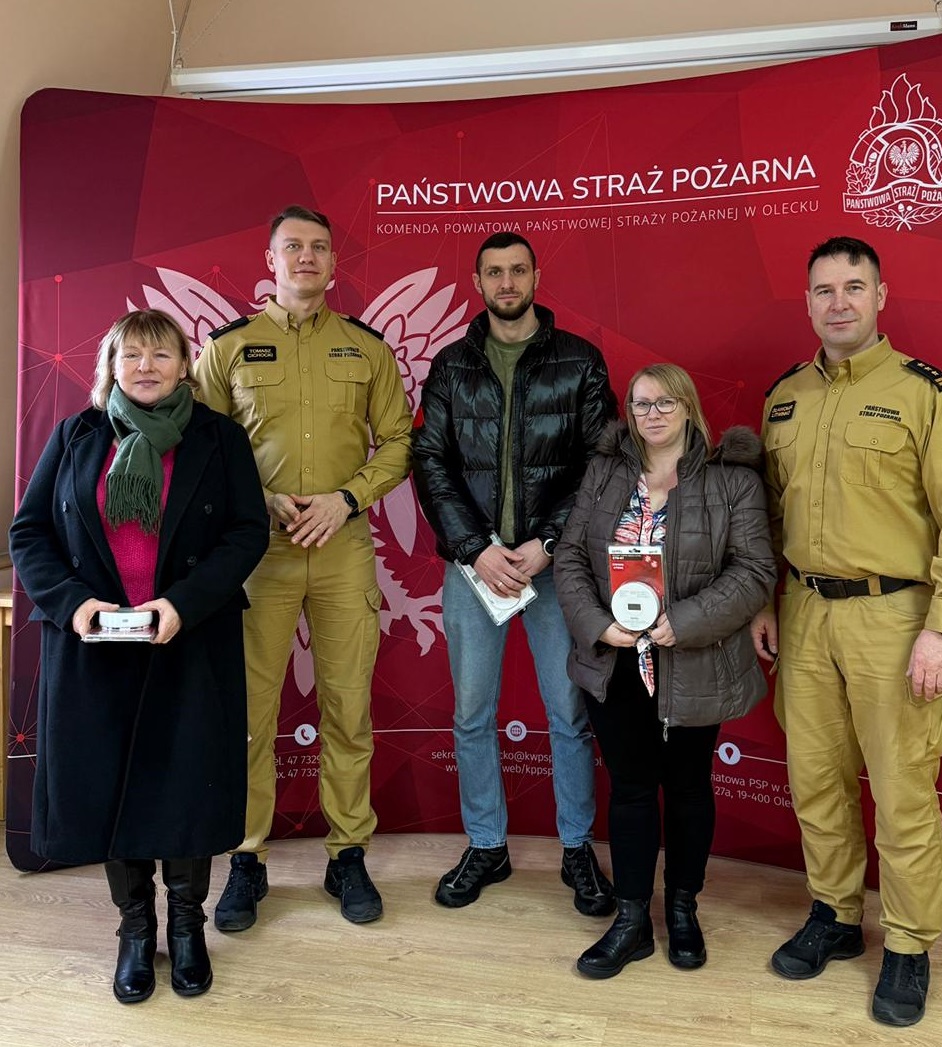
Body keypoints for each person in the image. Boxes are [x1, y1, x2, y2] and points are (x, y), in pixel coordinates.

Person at [751, 236, 942, 1026]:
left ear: (880, 295)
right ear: (806, 302)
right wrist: (763, 600)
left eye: (853, 287)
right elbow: (769, 515)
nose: (838, 303)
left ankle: (908, 943)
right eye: (823, 290)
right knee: (816, 780)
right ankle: (832, 914)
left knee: (900, 790)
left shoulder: (927, 394)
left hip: (894, 619)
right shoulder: (784, 397)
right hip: (804, 613)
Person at [9, 309, 269, 1003]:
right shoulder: (76, 435)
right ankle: (134, 928)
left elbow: (247, 532)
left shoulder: (219, 437)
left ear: (185, 365)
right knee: (110, 785)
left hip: (188, 638)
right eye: (132, 355)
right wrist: (73, 604)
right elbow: (29, 533)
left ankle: (186, 926)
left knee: (186, 784)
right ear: (111, 367)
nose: (146, 366)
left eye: (160, 354)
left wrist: (182, 602)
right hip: (95, 646)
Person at [194, 205, 413, 929]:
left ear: (333, 261)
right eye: (293, 246)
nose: (307, 257)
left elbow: (399, 441)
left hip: (342, 548)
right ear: (270, 260)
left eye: (320, 246)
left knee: (348, 709)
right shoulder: (228, 348)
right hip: (257, 553)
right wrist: (258, 500)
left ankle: (346, 853)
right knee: (249, 714)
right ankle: (245, 858)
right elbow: (201, 449)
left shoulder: (366, 349)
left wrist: (346, 499)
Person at [412, 232, 617, 914]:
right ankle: (486, 844)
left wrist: (548, 542)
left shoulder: (580, 361)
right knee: (472, 713)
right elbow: (430, 460)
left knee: (568, 713)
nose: (507, 282)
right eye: (494, 272)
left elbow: (600, 463)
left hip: (555, 567)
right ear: (477, 282)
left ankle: (576, 847)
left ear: (535, 276)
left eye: (518, 270)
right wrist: (475, 548)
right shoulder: (451, 366)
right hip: (475, 567)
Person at [555, 363, 776, 978]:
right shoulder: (605, 472)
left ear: (688, 406)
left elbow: (755, 570)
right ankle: (631, 920)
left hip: (693, 658)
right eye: (640, 403)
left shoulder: (732, 480)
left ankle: (681, 908)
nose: (651, 414)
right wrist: (597, 625)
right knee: (629, 788)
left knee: (686, 787)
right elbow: (570, 555)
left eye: (664, 402)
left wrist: (687, 620)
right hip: (616, 658)